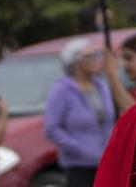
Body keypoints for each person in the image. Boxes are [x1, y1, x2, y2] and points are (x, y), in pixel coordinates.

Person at [45, 38, 115, 187]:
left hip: (106, 162)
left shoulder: (101, 86)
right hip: (79, 166)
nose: (95, 60)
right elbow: (51, 128)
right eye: (89, 56)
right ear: (75, 62)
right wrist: (78, 149)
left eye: (95, 55)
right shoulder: (61, 90)